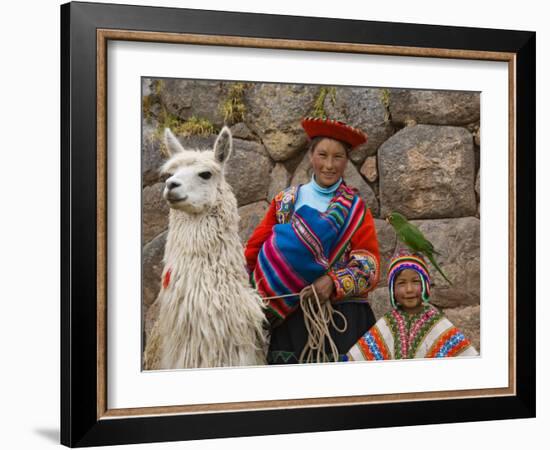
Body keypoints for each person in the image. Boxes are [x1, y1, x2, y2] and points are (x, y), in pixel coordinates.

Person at [244, 117, 380, 364]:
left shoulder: (356, 210)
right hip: (290, 318)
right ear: (310, 156)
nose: (329, 165)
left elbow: (369, 268)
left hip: (343, 320)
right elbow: (253, 254)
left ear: (346, 161)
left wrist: (333, 281)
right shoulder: (285, 202)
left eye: (338, 157)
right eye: (322, 155)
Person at [345, 250, 478, 361]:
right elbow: (358, 360)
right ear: (392, 289)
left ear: (425, 285)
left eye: (415, 281)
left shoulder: (438, 325)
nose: (409, 289)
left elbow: (466, 359)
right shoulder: (385, 326)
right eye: (401, 283)